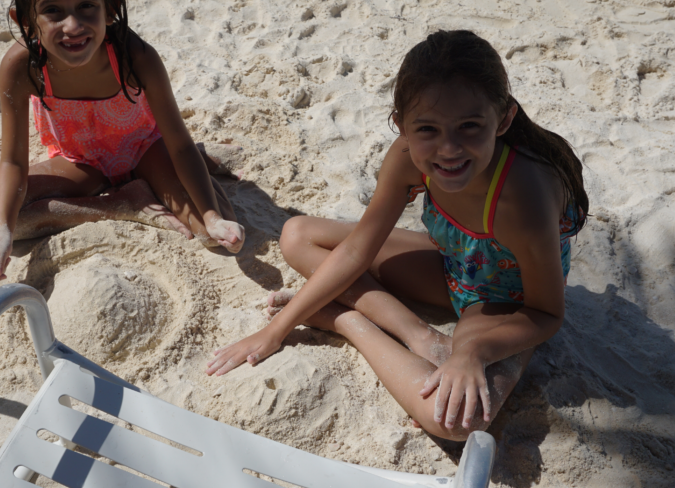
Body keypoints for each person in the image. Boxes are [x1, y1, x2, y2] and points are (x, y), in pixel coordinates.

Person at [206, 30, 588, 441]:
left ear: (504, 119)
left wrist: (474, 352)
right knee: (297, 235)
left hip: (503, 303)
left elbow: (548, 313)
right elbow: (356, 250)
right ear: (400, 125)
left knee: (456, 423)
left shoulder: (522, 197)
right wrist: (275, 330)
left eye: (470, 126)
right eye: (427, 129)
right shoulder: (407, 158)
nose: (449, 148)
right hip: (454, 263)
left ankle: (350, 324)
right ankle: (417, 335)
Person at [0, 0, 244, 280]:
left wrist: (214, 218)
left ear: (110, 7)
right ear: (25, 19)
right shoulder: (22, 67)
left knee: (214, 235)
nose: (73, 26)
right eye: (52, 10)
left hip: (147, 147)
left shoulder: (135, 56)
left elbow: (178, 142)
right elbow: (13, 161)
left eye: (86, 6)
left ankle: (193, 166)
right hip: (79, 162)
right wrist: (3, 233)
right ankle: (123, 203)